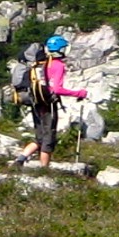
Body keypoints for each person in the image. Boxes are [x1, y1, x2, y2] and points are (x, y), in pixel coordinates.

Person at [28, 34, 87, 168]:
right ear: (61, 50)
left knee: (40, 136)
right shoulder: (58, 65)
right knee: (48, 136)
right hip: (48, 103)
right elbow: (57, 89)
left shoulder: (43, 63)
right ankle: (44, 168)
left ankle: (21, 159)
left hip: (37, 101)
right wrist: (79, 93)